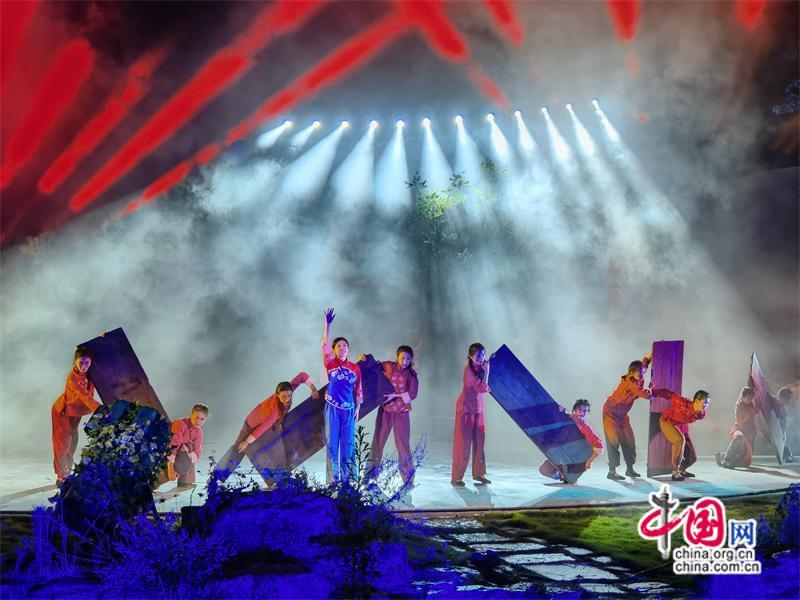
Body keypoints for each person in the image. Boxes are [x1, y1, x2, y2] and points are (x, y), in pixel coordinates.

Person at [214, 373, 319, 482]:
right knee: (239, 449)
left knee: (274, 446)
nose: (287, 399)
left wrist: (313, 389)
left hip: (268, 422)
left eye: (289, 395)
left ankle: (276, 477)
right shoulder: (274, 411)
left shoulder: (288, 389)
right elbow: (263, 427)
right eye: (283, 396)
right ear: (277, 395)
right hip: (252, 425)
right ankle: (215, 477)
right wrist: (246, 442)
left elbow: (302, 376)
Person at [363, 346, 419, 486]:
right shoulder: (388, 366)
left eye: (407, 358)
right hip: (385, 410)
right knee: (378, 442)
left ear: (411, 359)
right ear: (397, 357)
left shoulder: (411, 374)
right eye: (402, 357)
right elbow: (373, 366)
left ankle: (408, 479)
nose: (404, 361)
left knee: (403, 445)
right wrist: (363, 358)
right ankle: (369, 475)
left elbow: (413, 394)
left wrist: (395, 395)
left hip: (401, 412)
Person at [322, 307, 362, 482]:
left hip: (349, 410)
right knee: (332, 445)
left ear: (348, 349)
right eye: (338, 346)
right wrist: (327, 325)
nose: (342, 347)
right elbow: (325, 345)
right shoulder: (330, 363)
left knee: (348, 445)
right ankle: (332, 481)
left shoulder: (355, 368)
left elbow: (358, 389)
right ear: (334, 350)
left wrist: (358, 408)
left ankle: (348, 481)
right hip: (332, 408)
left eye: (344, 345)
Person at [52, 347, 102, 485]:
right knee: (62, 442)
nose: (84, 366)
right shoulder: (72, 378)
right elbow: (85, 396)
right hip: (62, 411)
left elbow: (102, 353)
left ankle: (68, 468)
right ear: (74, 362)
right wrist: (100, 409)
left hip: (76, 411)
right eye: (81, 362)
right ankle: (61, 475)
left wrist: (102, 340)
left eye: (87, 363)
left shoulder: (90, 372)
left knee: (73, 439)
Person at [602, 353, 652, 481]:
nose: (642, 374)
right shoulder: (629, 381)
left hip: (622, 415)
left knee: (629, 440)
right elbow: (644, 395)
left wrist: (654, 351)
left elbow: (646, 362)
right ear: (631, 372)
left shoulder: (639, 374)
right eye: (639, 372)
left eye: (642, 372)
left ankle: (630, 469)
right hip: (610, 412)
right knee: (614, 439)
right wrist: (650, 391)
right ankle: (612, 471)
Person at [451, 343, 492, 487]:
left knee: (480, 442)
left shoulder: (483, 367)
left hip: (478, 409)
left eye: (483, 354)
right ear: (470, 356)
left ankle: (479, 473)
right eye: (478, 355)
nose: (481, 358)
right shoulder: (468, 370)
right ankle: (456, 477)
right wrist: (487, 371)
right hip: (466, 409)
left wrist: (486, 369)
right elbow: (482, 388)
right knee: (463, 444)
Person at [539, 399, 604, 482]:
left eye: (585, 411)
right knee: (544, 470)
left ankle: (567, 472)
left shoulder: (585, 427)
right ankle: (560, 474)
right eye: (579, 409)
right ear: (575, 409)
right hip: (558, 453)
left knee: (567, 475)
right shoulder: (565, 417)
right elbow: (553, 415)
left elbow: (599, 446)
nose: (582, 413)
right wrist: (558, 410)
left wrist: (589, 461)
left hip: (571, 458)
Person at [654, 388, 710, 480]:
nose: (706, 406)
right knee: (679, 440)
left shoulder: (701, 414)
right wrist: (652, 392)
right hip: (667, 421)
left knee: (692, 457)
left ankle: (682, 470)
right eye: (705, 403)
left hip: (680, 425)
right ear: (697, 400)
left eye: (708, 403)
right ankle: (675, 472)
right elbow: (668, 394)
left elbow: (686, 418)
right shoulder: (683, 403)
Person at [161, 404, 209, 488]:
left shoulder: (198, 431)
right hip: (165, 446)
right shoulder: (181, 424)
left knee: (191, 449)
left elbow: (197, 449)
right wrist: (171, 468)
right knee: (187, 449)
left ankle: (185, 480)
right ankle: (163, 476)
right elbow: (174, 444)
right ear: (191, 415)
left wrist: (189, 453)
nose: (198, 422)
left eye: (202, 419)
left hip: (177, 447)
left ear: (206, 419)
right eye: (197, 418)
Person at [716, 387, 758, 469]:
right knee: (739, 438)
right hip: (740, 429)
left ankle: (722, 456)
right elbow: (744, 419)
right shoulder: (740, 406)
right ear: (742, 396)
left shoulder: (750, 405)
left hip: (749, 432)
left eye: (751, 398)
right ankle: (727, 459)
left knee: (745, 461)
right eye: (748, 397)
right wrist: (754, 411)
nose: (750, 399)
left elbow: (753, 412)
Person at [775, 387, 796, 463]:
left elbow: (783, 423)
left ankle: (787, 455)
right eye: (788, 399)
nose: (789, 401)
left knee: (782, 440)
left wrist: (783, 434)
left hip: (777, 431)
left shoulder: (783, 410)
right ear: (782, 397)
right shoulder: (771, 402)